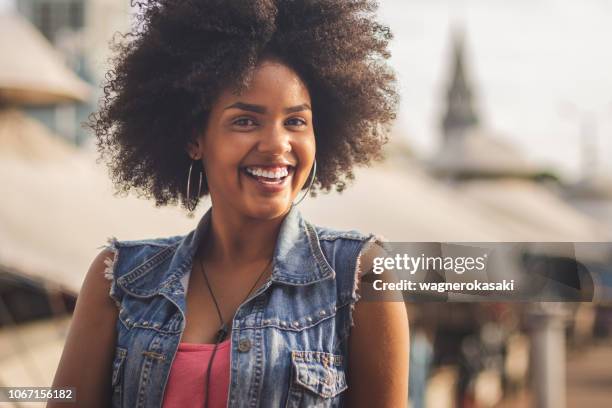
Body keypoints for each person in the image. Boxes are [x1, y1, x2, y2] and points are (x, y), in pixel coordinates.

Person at [49, 1, 409, 407]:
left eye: (296, 121)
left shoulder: (359, 278)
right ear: (194, 139)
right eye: (245, 121)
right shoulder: (120, 281)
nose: (277, 145)